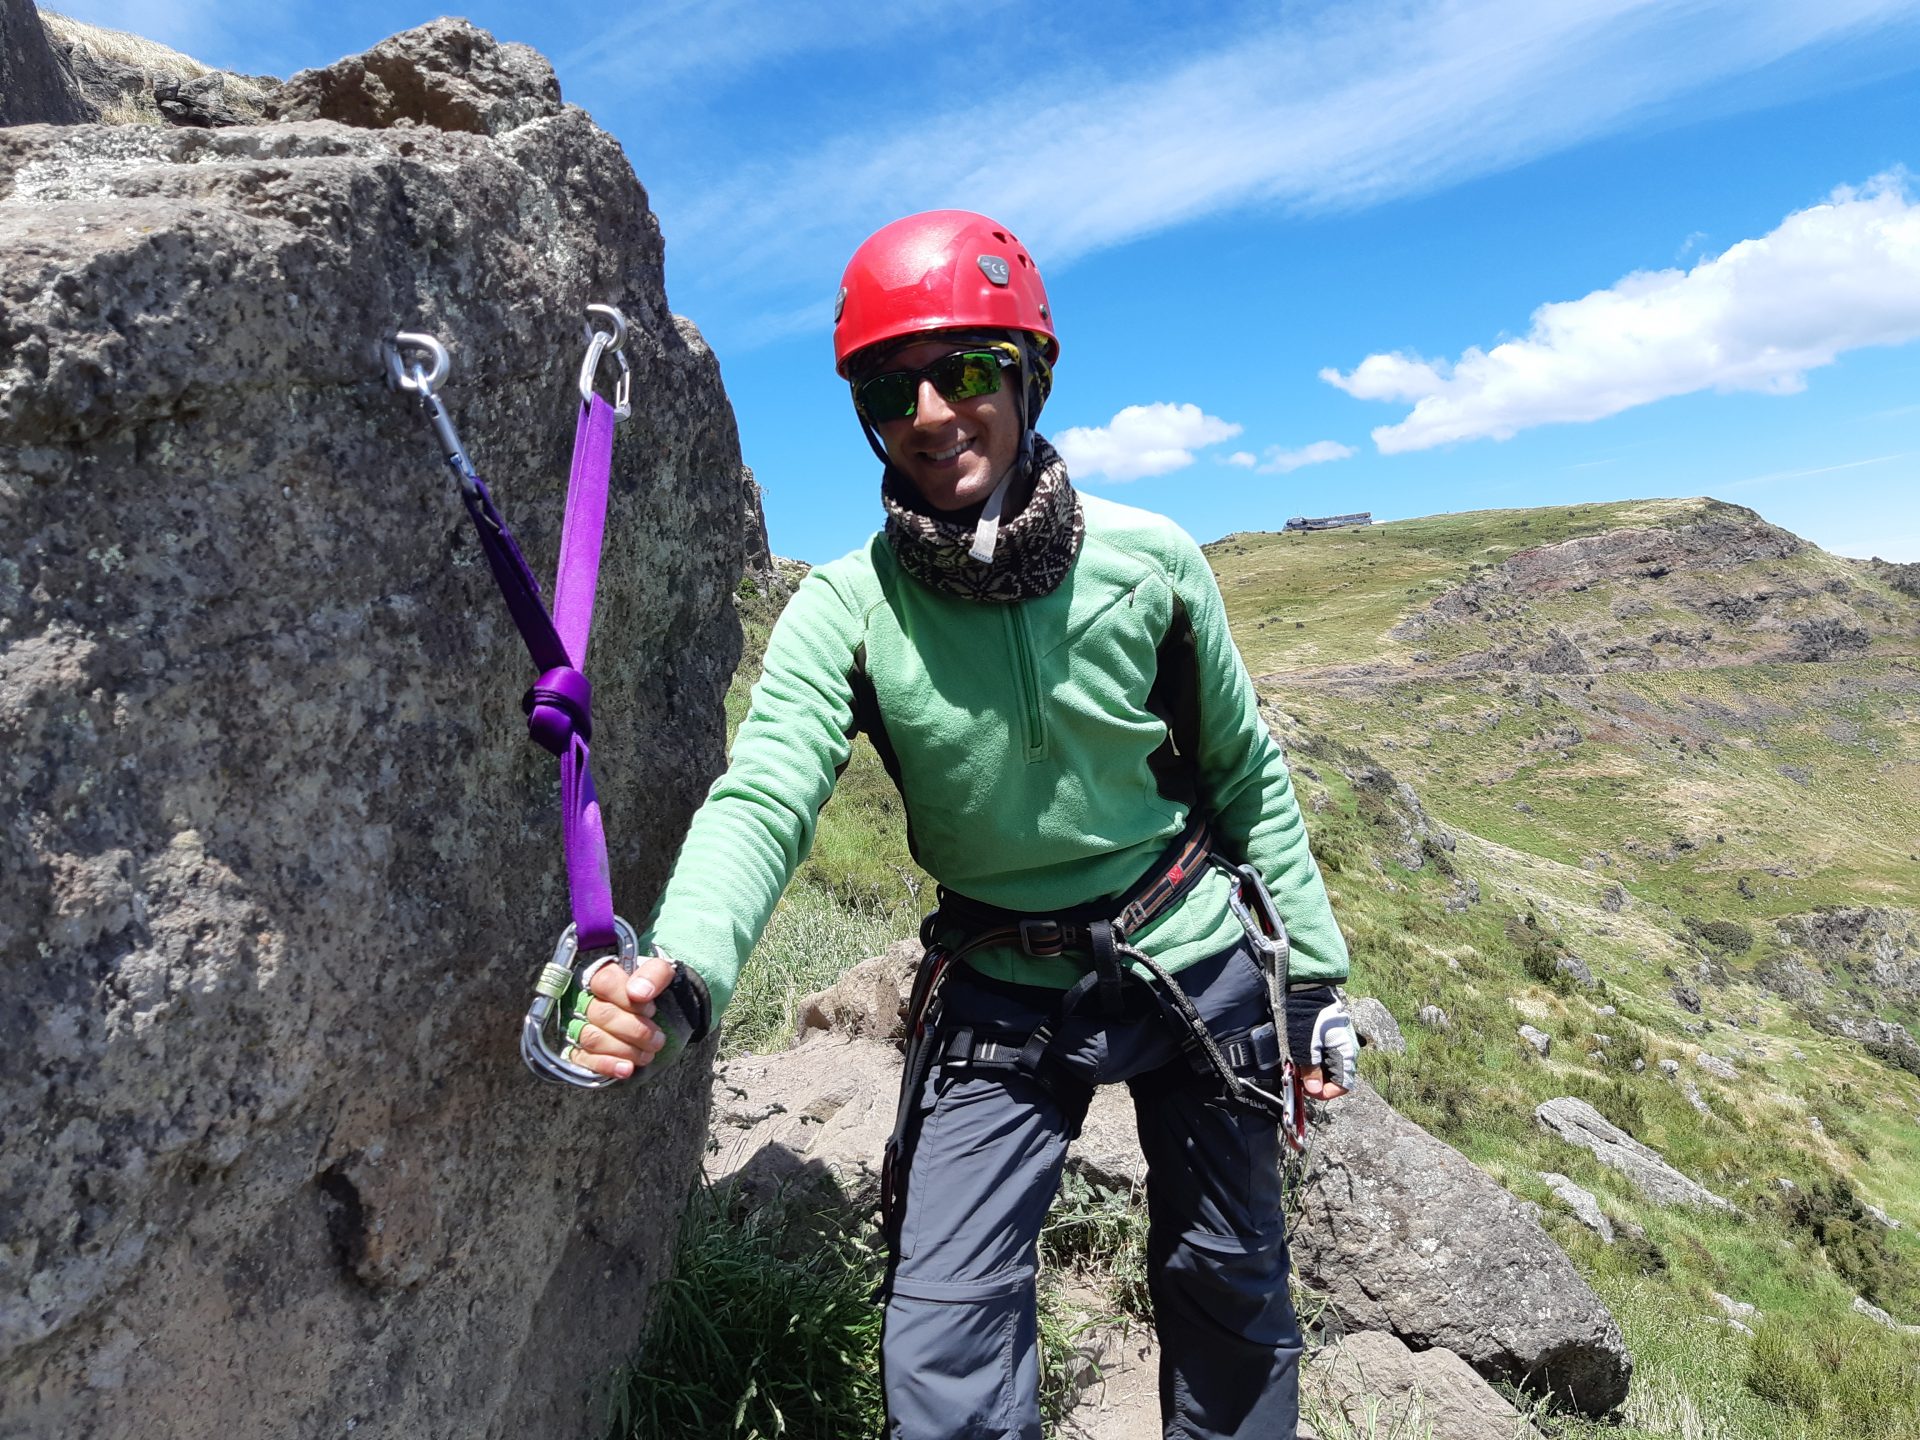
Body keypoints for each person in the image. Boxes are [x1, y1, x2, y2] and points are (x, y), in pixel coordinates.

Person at [569, 209, 1356, 1440]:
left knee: (1230, 1280)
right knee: (945, 1336)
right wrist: (684, 973)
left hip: (1192, 960)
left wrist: (1310, 985)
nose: (932, 412)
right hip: (1002, 982)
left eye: (969, 371)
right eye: (891, 389)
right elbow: (766, 793)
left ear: (1030, 374)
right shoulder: (848, 607)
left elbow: (1248, 779)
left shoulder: (1152, 563)